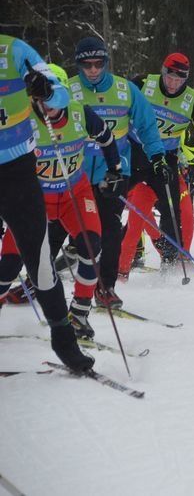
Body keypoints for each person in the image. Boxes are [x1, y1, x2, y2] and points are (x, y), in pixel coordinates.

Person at [1, 62, 123, 339]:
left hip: (74, 195)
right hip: (33, 200)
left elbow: (106, 137)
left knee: (91, 245)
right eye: (43, 98)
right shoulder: (20, 120)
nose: (49, 106)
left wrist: (115, 170)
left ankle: (78, 314)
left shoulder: (81, 113)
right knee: (9, 265)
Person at [0, 35, 93, 371]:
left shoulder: (14, 50)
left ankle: (63, 340)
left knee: (40, 263)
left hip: (16, 171)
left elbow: (62, 94)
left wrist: (46, 90)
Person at [69, 36, 166, 308]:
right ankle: (35, 284)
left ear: (106, 62)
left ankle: (105, 287)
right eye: (86, 64)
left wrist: (157, 156)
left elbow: (147, 125)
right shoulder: (67, 89)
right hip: (75, 172)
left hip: (114, 170)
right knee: (62, 228)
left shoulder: (125, 90)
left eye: (98, 63)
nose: (93, 70)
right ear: (78, 64)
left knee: (110, 229)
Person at [122, 52, 194, 273]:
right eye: (169, 78)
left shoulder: (191, 100)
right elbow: (116, 107)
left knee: (173, 212)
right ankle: (99, 253)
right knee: (114, 202)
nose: (173, 84)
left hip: (165, 158)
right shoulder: (142, 84)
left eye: (179, 80)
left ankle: (170, 265)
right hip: (134, 152)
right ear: (163, 71)